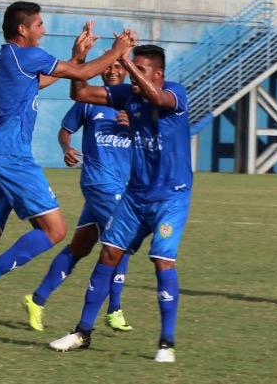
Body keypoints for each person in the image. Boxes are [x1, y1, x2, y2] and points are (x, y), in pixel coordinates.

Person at [0, 2, 137, 363]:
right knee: (54, 230)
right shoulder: (25, 55)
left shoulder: (3, 59)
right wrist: (116, 52)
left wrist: (75, 59)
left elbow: (50, 78)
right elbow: (79, 72)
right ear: (23, 30)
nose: (43, 29)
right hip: (12, 155)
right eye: (39, 24)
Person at [49, 44, 192, 364]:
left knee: (161, 262)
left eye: (141, 69)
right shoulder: (128, 95)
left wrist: (124, 59)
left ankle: (166, 343)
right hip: (135, 195)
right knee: (108, 254)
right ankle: (82, 332)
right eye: (132, 69)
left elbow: (158, 99)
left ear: (159, 74)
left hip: (171, 196)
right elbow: (81, 94)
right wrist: (80, 58)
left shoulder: (175, 93)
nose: (132, 74)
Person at [22, 60, 134, 334]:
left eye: (118, 67)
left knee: (80, 247)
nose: (112, 71)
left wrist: (135, 125)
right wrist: (66, 148)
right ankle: (114, 309)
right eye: (108, 66)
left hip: (122, 186)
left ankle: (36, 300)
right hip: (99, 183)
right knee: (123, 240)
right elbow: (65, 131)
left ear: (127, 71)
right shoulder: (88, 100)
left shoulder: (135, 102)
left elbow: (154, 137)